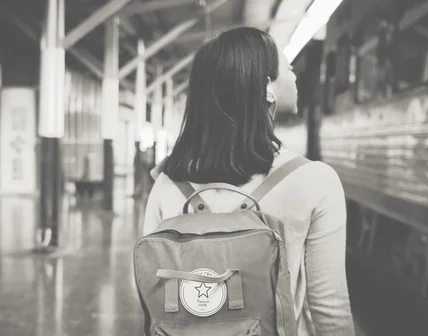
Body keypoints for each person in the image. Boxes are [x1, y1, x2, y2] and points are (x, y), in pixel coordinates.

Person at [142, 27, 355, 335]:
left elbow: (155, 298)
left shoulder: (167, 183)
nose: (295, 76)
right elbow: (328, 310)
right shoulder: (316, 181)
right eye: (289, 68)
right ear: (267, 88)